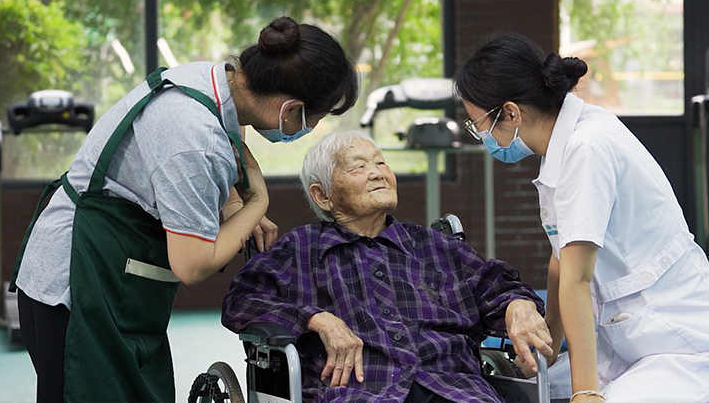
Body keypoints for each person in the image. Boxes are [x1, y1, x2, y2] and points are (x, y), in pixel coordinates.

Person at [7, 16, 359, 403]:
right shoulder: (194, 139)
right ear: (290, 109)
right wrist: (256, 203)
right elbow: (192, 264)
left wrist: (233, 204)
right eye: (316, 118)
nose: (311, 128)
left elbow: (232, 135)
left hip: (113, 274)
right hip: (73, 284)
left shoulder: (218, 81)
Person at [454, 32, 709, 403]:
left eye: (478, 124)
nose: (481, 135)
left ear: (512, 113)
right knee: (514, 391)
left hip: (688, 352)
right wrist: (547, 353)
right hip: (633, 346)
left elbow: (577, 279)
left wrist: (585, 392)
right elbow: (561, 260)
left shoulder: (588, 147)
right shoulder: (563, 144)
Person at [222, 130, 552, 403]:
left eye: (381, 163)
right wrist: (316, 319)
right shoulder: (300, 250)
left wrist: (518, 304)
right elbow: (241, 302)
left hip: (454, 389)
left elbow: (498, 285)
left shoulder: (434, 246)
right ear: (323, 196)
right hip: (361, 392)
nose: (379, 172)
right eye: (358, 166)